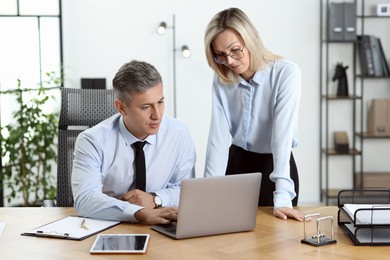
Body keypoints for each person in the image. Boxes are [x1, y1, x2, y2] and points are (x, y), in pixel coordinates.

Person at [203, 8, 304, 221]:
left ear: (250, 41)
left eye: (235, 50)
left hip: (276, 164)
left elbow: (281, 138)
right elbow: (218, 140)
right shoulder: (222, 80)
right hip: (238, 163)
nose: (229, 61)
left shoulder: (286, 74)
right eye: (220, 55)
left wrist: (283, 195)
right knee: (230, 237)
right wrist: (208, 194)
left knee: (275, 240)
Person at [72, 60, 196, 225]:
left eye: (160, 102)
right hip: (110, 225)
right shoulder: (92, 141)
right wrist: (140, 213)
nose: (157, 115)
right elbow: (85, 200)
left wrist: (155, 199)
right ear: (121, 108)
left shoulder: (179, 134)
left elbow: (187, 190)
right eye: (146, 107)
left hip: (163, 224)